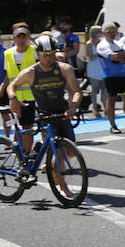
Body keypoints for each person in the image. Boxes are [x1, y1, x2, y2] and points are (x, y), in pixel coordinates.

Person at [8, 35, 82, 196]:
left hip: (62, 113)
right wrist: (13, 98)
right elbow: (12, 86)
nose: (49, 58)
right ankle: (63, 188)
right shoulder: (31, 72)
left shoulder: (64, 69)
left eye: (51, 54)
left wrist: (73, 106)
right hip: (44, 115)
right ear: (38, 54)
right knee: (57, 152)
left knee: (69, 151)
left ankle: (47, 160)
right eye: (44, 55)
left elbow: (76, 91)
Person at [97, 23, 125, 133]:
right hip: (110, 76)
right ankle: (113, 125)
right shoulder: (102, 45)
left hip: (122, 75)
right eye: (109, 32)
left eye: (114, 31)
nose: (112, 34)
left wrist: (120, 58)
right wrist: (122, 57)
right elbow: (114, 57)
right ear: (103, 33)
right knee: (112, 100)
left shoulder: (118, 43)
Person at [2, 25, 39, 151]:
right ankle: (27, 155)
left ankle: (35, 153)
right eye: (19, 37)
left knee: (42, 125)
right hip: (17, 97)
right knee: (25, 127)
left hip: (35, 95)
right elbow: (8, 74)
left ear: (28, 37)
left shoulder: (34, 51)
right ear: (14, 38)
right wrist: (2, 88)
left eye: (24, 36)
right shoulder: (7, 53)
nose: (21, 39)